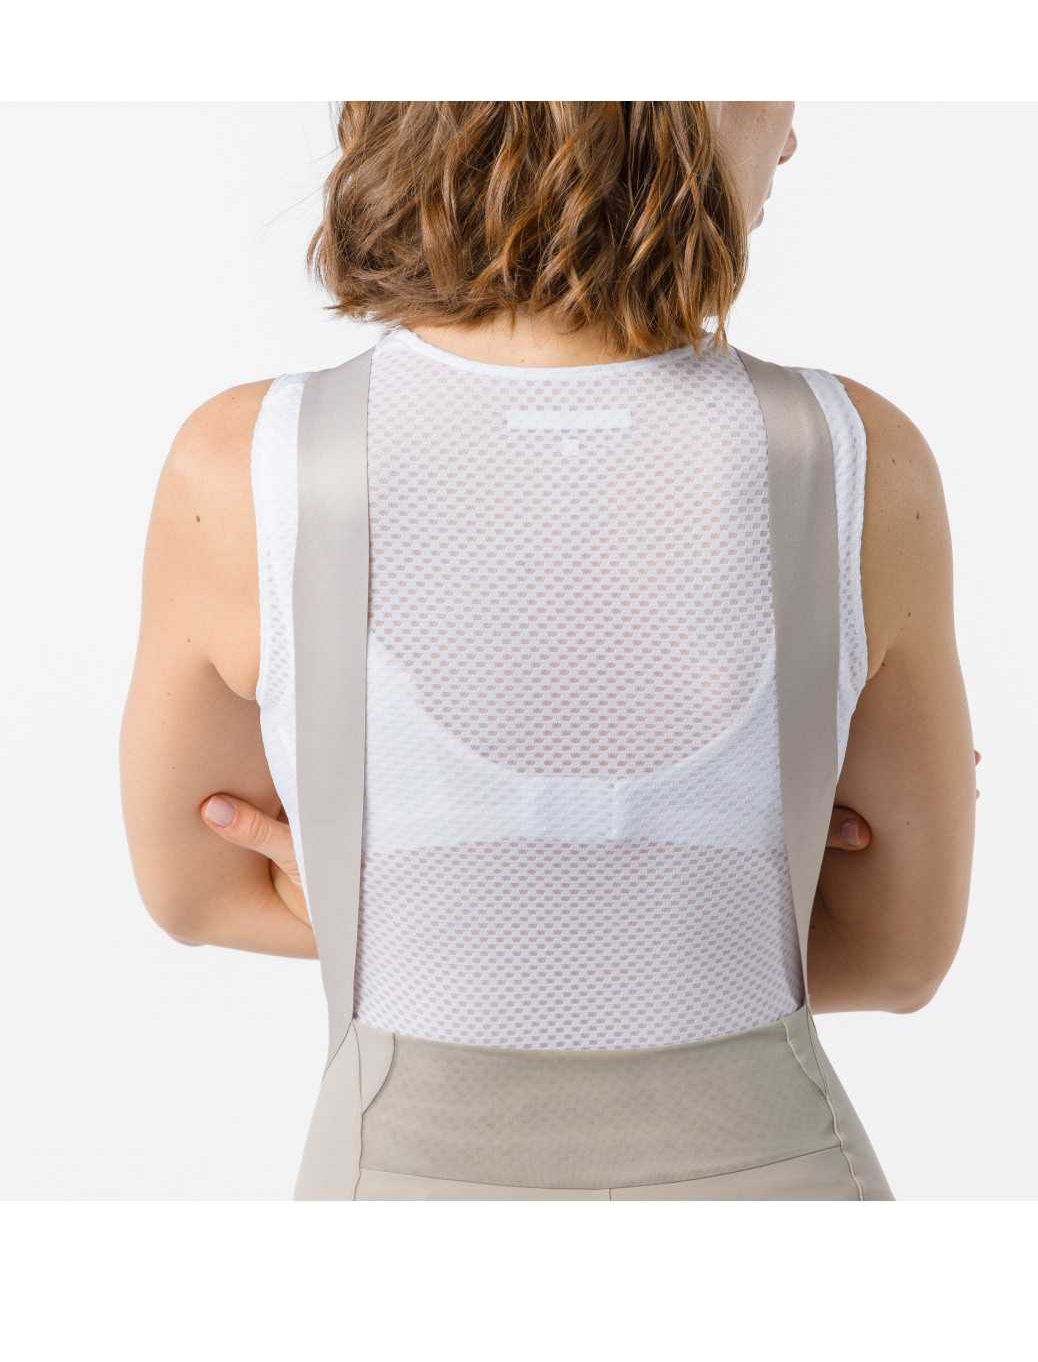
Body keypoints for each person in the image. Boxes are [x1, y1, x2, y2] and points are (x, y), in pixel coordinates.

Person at [119, 102, 977, 1199]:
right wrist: (703, 893)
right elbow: (898, 955)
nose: (794, 135)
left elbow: (195, 892)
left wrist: (400, 892)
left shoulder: (248, 467)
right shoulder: (854, 459)